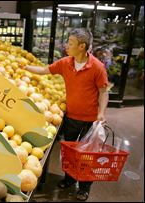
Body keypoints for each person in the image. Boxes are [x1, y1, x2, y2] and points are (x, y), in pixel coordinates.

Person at [24, 28, 109, 201]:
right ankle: (69, 179)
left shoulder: (97, 67)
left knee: (87, 155)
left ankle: (84, 188)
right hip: (71, 117)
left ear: (82, 46)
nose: (66, 46)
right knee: (69, 152)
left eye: (70, 43)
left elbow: (103, 91)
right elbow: (45, 71)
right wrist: (24, 66)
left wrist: (101, 112)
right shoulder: (66, 63)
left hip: (90, 120)